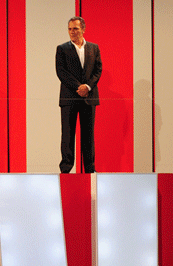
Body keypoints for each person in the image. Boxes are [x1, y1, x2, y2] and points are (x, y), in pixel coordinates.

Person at [55, 16, 102, 174]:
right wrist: (78, 87)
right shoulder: (62, 49)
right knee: (68, 134)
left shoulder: (94, 48)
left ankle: (89, 168)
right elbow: (61, 72)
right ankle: (66, 168)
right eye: (69, 29)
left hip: (89, 98)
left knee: (88, 135)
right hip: (69, 98)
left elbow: (97, 70)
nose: (72, 32)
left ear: (83, 29)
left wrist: (87, 87)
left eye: (75, 28)